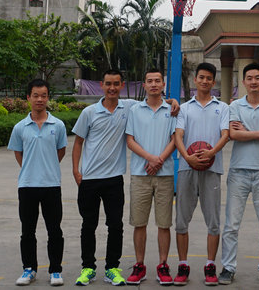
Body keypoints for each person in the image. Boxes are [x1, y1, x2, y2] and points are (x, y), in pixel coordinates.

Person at [72, 70, 179, 287]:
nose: (112, 88)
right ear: (102, 85)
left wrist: (172, 101)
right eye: (108, 83)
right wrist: (76, 171)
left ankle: (113, 268)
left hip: (114, 178)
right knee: (89, 225)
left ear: (122, 85)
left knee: (116, 225)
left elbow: (158, 106)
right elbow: (79, 142)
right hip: (90, 178)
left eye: (116, 84)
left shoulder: (129, 107)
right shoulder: (91, 112)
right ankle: (88, 268)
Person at [219, 62, 259, 286]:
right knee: (231, 225)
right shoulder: (235, 105)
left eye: (257, 78)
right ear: (244, 82)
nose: (253, 81)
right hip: (239, 171)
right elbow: (234, 135)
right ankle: (228, 267)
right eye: (249, 78)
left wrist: (249, 132)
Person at [172, 62, 230, 286]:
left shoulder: (222, 107)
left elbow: (225, 134)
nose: (205, 81)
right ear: (195, 79)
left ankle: (210, 265)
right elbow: (178, 135)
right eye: (201, 77)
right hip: (187, 168)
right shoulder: (185, 108)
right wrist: (187, 157)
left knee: (213, 221)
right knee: (181, 221)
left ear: (213, 82)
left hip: (212, 169)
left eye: (209, 78)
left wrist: (211, 153)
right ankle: (183, 265)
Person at [8, 79, 68, 287]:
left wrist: (47, 167)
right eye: (36, 95)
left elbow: (61, 151)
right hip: (27, 186)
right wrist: (31, 169)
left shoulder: (58, 125)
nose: (40, 99)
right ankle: (29, 269)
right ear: (28, 98)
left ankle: (55, 270)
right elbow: (18, 153)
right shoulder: (20, 127)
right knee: (27, 231)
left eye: (44, 95)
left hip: (51, 185)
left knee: (55, 230)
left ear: (48, 97)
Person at [124, 70, 178, 285]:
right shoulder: (135, 110)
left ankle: (163, 265)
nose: (154, 84)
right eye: (150, 81)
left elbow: (175, 139)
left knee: (164, 224)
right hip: (140, 173)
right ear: (144, 85)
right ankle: (139, 265)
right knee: (139, 223)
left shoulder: (172, 110)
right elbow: (130, 140)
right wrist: (150, 158)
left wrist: (159, 160)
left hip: (165, 174)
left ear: (163, 84)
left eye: (157, 81)